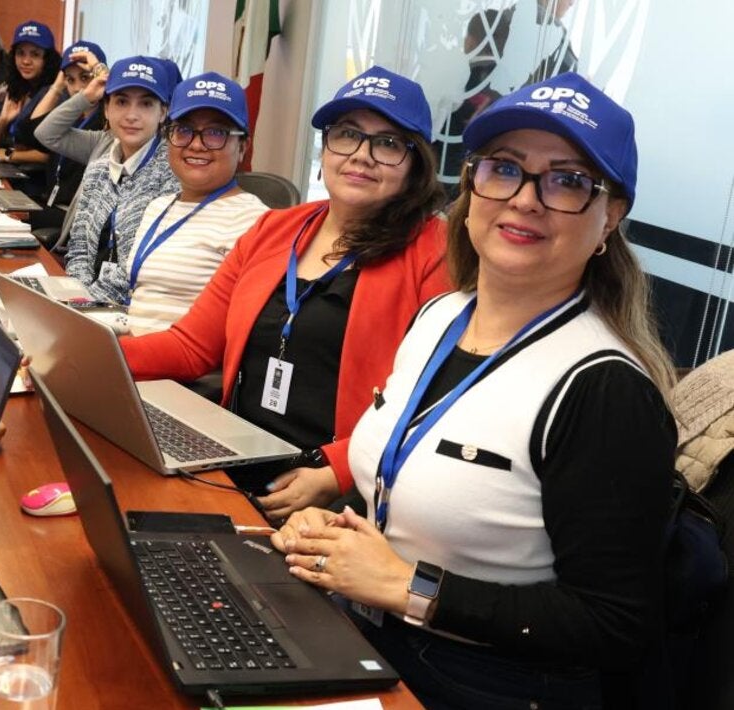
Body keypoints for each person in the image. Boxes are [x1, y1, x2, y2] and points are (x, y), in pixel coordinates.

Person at [270, 71, 674, 709]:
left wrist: (409, 586)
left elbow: (612, 624)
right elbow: (411, 493)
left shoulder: (603, 391)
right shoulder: (440, 317)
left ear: (610, 218)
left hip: (488, 680)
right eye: (504, 168)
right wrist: (334, 536)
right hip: (369, 635)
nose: (525, 199)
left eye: (568, 181)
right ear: (472, 186)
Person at [120, 66, 449, 518]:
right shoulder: (275, 229)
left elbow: (432, 402)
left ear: (417, 164)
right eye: (347, 134)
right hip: (232, 458)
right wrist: (93, 357)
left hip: (334, 487)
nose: (361, 155)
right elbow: (192, 345)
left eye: (388, 143)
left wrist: (337, 472)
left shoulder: (433, 251)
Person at [125, 73, 268, 335]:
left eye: (216, 133)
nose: (197, 145)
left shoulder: (254, 221)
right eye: (184, 130)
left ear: (243, 147)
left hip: (179, 371)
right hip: (130, 355)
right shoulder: (158, 206)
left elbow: (229, 337)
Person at [61, 57, 179, 303]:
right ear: (106, 108)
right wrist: (76, 299)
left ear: (163, 113)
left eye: (146, 104)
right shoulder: (97, 170)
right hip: (85, 305)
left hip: (134, 312)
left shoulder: (174, 176)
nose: (131, 115)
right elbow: (79, 250)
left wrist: (86, 307)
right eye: (122, 102)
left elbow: (141, 270)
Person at [20, 40, 107, 231]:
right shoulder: (71, 116)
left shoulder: (107, 126)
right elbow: (29, 134)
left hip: (73, 218)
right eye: (70, 79)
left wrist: (100, 77)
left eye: (85, 78)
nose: (77, 88)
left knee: (11, 216)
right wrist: (58, 86)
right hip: (52, 206)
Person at [0, 20, 60, 170]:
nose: (26, 61)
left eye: (35, 54)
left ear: (47, 59)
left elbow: (51, 154)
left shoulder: (54, 93)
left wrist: (8, 155)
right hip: (12, 170)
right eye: (20, 53)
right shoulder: (18, 87)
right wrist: (3, 120)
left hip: (33, 182)